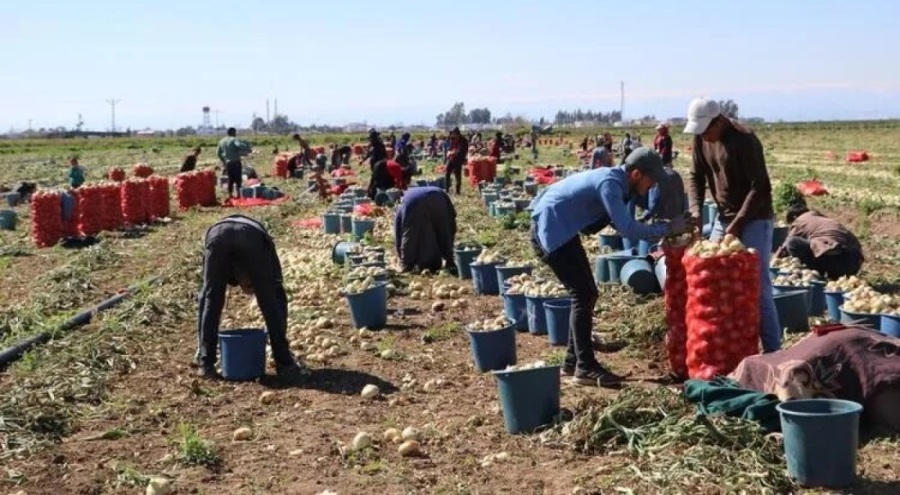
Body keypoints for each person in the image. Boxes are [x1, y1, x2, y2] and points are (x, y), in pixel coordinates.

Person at [530, 148, 692, 387]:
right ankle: (585, 367)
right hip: (551, 230)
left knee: (586, 294)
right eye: (651, 180)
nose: (652, 186)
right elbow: (627, 229)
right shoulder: (610, 184)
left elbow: (621, 222)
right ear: (636, 174)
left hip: (560, 226)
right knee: (583, 294)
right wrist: (668, 229)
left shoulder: (620, 183)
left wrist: (659, 224)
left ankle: (573, 361)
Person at [684, 97, 781, 353]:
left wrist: (737, 225)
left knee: (758, 286)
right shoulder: (701, 138)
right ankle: (727, 347)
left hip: (755, 219)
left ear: (719, 121)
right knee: (713, 279)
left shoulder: (744, 140)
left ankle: (773, 352)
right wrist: (696, 211)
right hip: (723, 217)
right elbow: (695, 176)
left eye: (706, 130)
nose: (703, 136)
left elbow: (761, 187)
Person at [195, 214, 307, 380]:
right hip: (250, 236)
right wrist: (265, 292)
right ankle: (284, 363)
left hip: (217, 235)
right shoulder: (263, 242)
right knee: (270, 301)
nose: (250, 290)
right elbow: (277, 291)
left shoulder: (228, 259)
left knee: (211, 299)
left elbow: (205, 297)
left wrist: (201, 347)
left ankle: (205, 364)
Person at [775, 203, 864, 279]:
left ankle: (816, 277)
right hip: (853, 262)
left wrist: (774, 261)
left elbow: (785, 247)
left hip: (834, 260)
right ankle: (833, 277)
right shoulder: (823, 219)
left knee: (792, 242)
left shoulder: (800, 220)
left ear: (794, 217)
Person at [394, 186, 457, 273]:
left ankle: (407, 265)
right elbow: (451, 220)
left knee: (410, 234)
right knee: (443, 230)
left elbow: (399, 232)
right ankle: (450, 261)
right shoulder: (437, 191)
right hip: (438, 198)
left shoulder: (403, 203)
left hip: (414, 202)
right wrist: (449, 245)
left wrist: (400, 254)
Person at [217, 128, 252, 198]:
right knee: (238, 179)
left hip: (228, 163)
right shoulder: (234, 139)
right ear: (233, 132)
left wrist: (223, 160)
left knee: (230, 179)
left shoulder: (221, 141)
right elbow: (239, 145)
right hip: (236, 162)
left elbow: (218, 153)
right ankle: (238, 194)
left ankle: (230, 194)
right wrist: (247, 147)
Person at [444, 127, 468, 195]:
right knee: (447, 173)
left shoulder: (463, 141)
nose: (453, 135)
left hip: (458, 159)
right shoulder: (452, 139)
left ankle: (457, 191)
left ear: (458, 134)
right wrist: (449, 152)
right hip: (452, 158)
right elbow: (450, 147)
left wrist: (452, 153)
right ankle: (447, 189)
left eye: (454, 134)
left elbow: (461, 151)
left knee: (457, 175)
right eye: (453, 134)